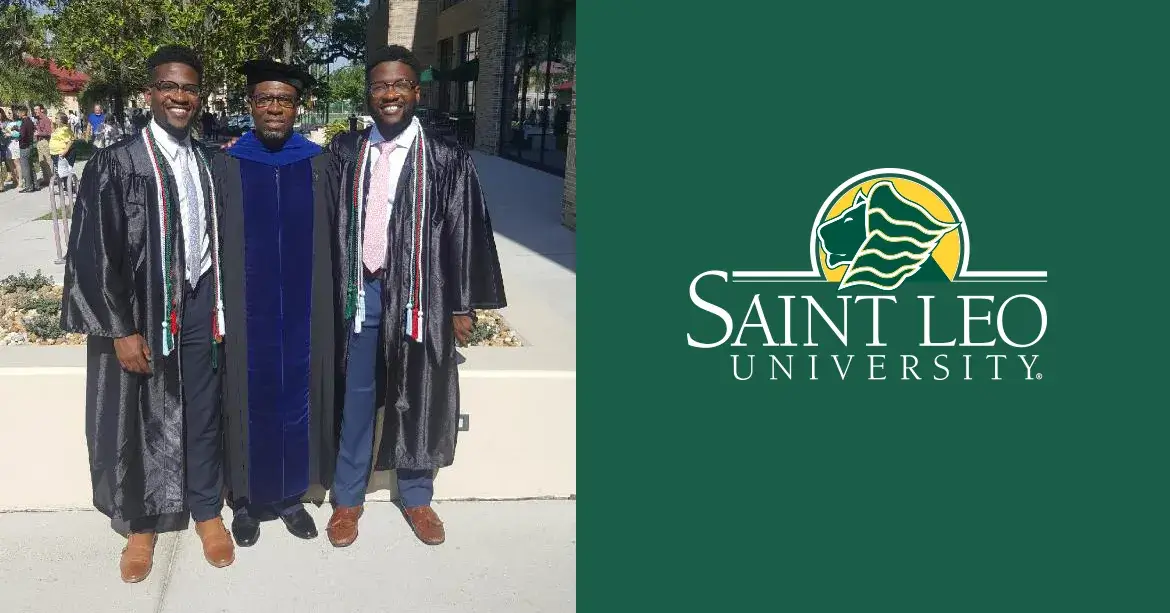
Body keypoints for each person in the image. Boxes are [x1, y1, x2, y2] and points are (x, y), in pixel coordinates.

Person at [59, 44, 234, 583]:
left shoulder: (209, 160)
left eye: (188, 88)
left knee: (203, 408)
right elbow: (94, 253)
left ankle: (206, 509)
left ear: (197, 96)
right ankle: (142, 523)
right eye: (168, 87)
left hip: (202, 300)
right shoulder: (117, 164)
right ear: (150, 93)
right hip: (141, 312)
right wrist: (119, 329)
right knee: (140, 412)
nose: (179, 96)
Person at [324, 45, 507, 548]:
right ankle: (347, 498)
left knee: (418, 392)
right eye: (381, 85)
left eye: (400, 84)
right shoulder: (347, 152)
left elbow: (464, 230)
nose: (390, 94)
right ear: (369, 91)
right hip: (360, 292)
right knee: (357, 396)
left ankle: (417, 495)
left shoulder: (446, 158)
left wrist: (462, 304)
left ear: (415, 91)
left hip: (421, 296)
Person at [212, 59, 339, 548]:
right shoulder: (228, 162)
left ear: (296, 106)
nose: (273, 108)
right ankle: (245, 501)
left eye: (282, 99)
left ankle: (289, 497)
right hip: (247, 309)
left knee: (297, 394)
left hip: (306, 309)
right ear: (250, 104)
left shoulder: (318, 162)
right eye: (263, 98)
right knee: (247, 394)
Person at [15, 106, 38, 192]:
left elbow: (22, 135)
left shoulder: (24, 122)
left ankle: (29, 187)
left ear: (23, 113)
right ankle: (35, 184)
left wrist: (17, 136)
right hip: (30, 145)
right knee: (30, 166)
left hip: (24, 146)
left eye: (18, 112)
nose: (17, 114)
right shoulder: (30, 121)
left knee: (25, 167)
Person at [49, 112, 77, 182]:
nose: (54, 119)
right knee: (60, 172)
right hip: (55, 153)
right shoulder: (58, 128)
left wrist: (65, 151)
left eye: (56, 118)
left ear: (61, 120)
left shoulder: (66, 129)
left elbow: (70, 141)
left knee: (64, 171)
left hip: (63, 153)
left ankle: (68, 187)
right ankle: (63, 186)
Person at [34, 104, 53, 185]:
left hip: (45, 141)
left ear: (42, 110)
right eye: (34, 110)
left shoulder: (45, 119)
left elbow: (49, 132)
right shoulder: (37, 119)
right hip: (39, 142)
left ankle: (52, 179)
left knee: (48, 161)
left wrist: (39, 133)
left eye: (37, 109)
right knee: (41, 161)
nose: (35, 111)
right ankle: (46, 180)